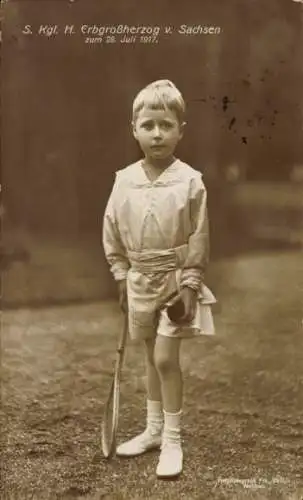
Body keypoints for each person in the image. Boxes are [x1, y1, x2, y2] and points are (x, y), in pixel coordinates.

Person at [102, 79, 216, 479]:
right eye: (148, 124)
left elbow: (199, 236)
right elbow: (112, 232)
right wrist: (120, 277)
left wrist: (189, 284)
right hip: (138, 280)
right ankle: (152, 429)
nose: (157, 133)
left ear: (180, 131)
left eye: (166, 125)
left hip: (174, 281)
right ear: (133, 128)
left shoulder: (190, 181)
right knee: (150, 357)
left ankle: (172, 439)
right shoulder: (124, 180)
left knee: (167, 359)